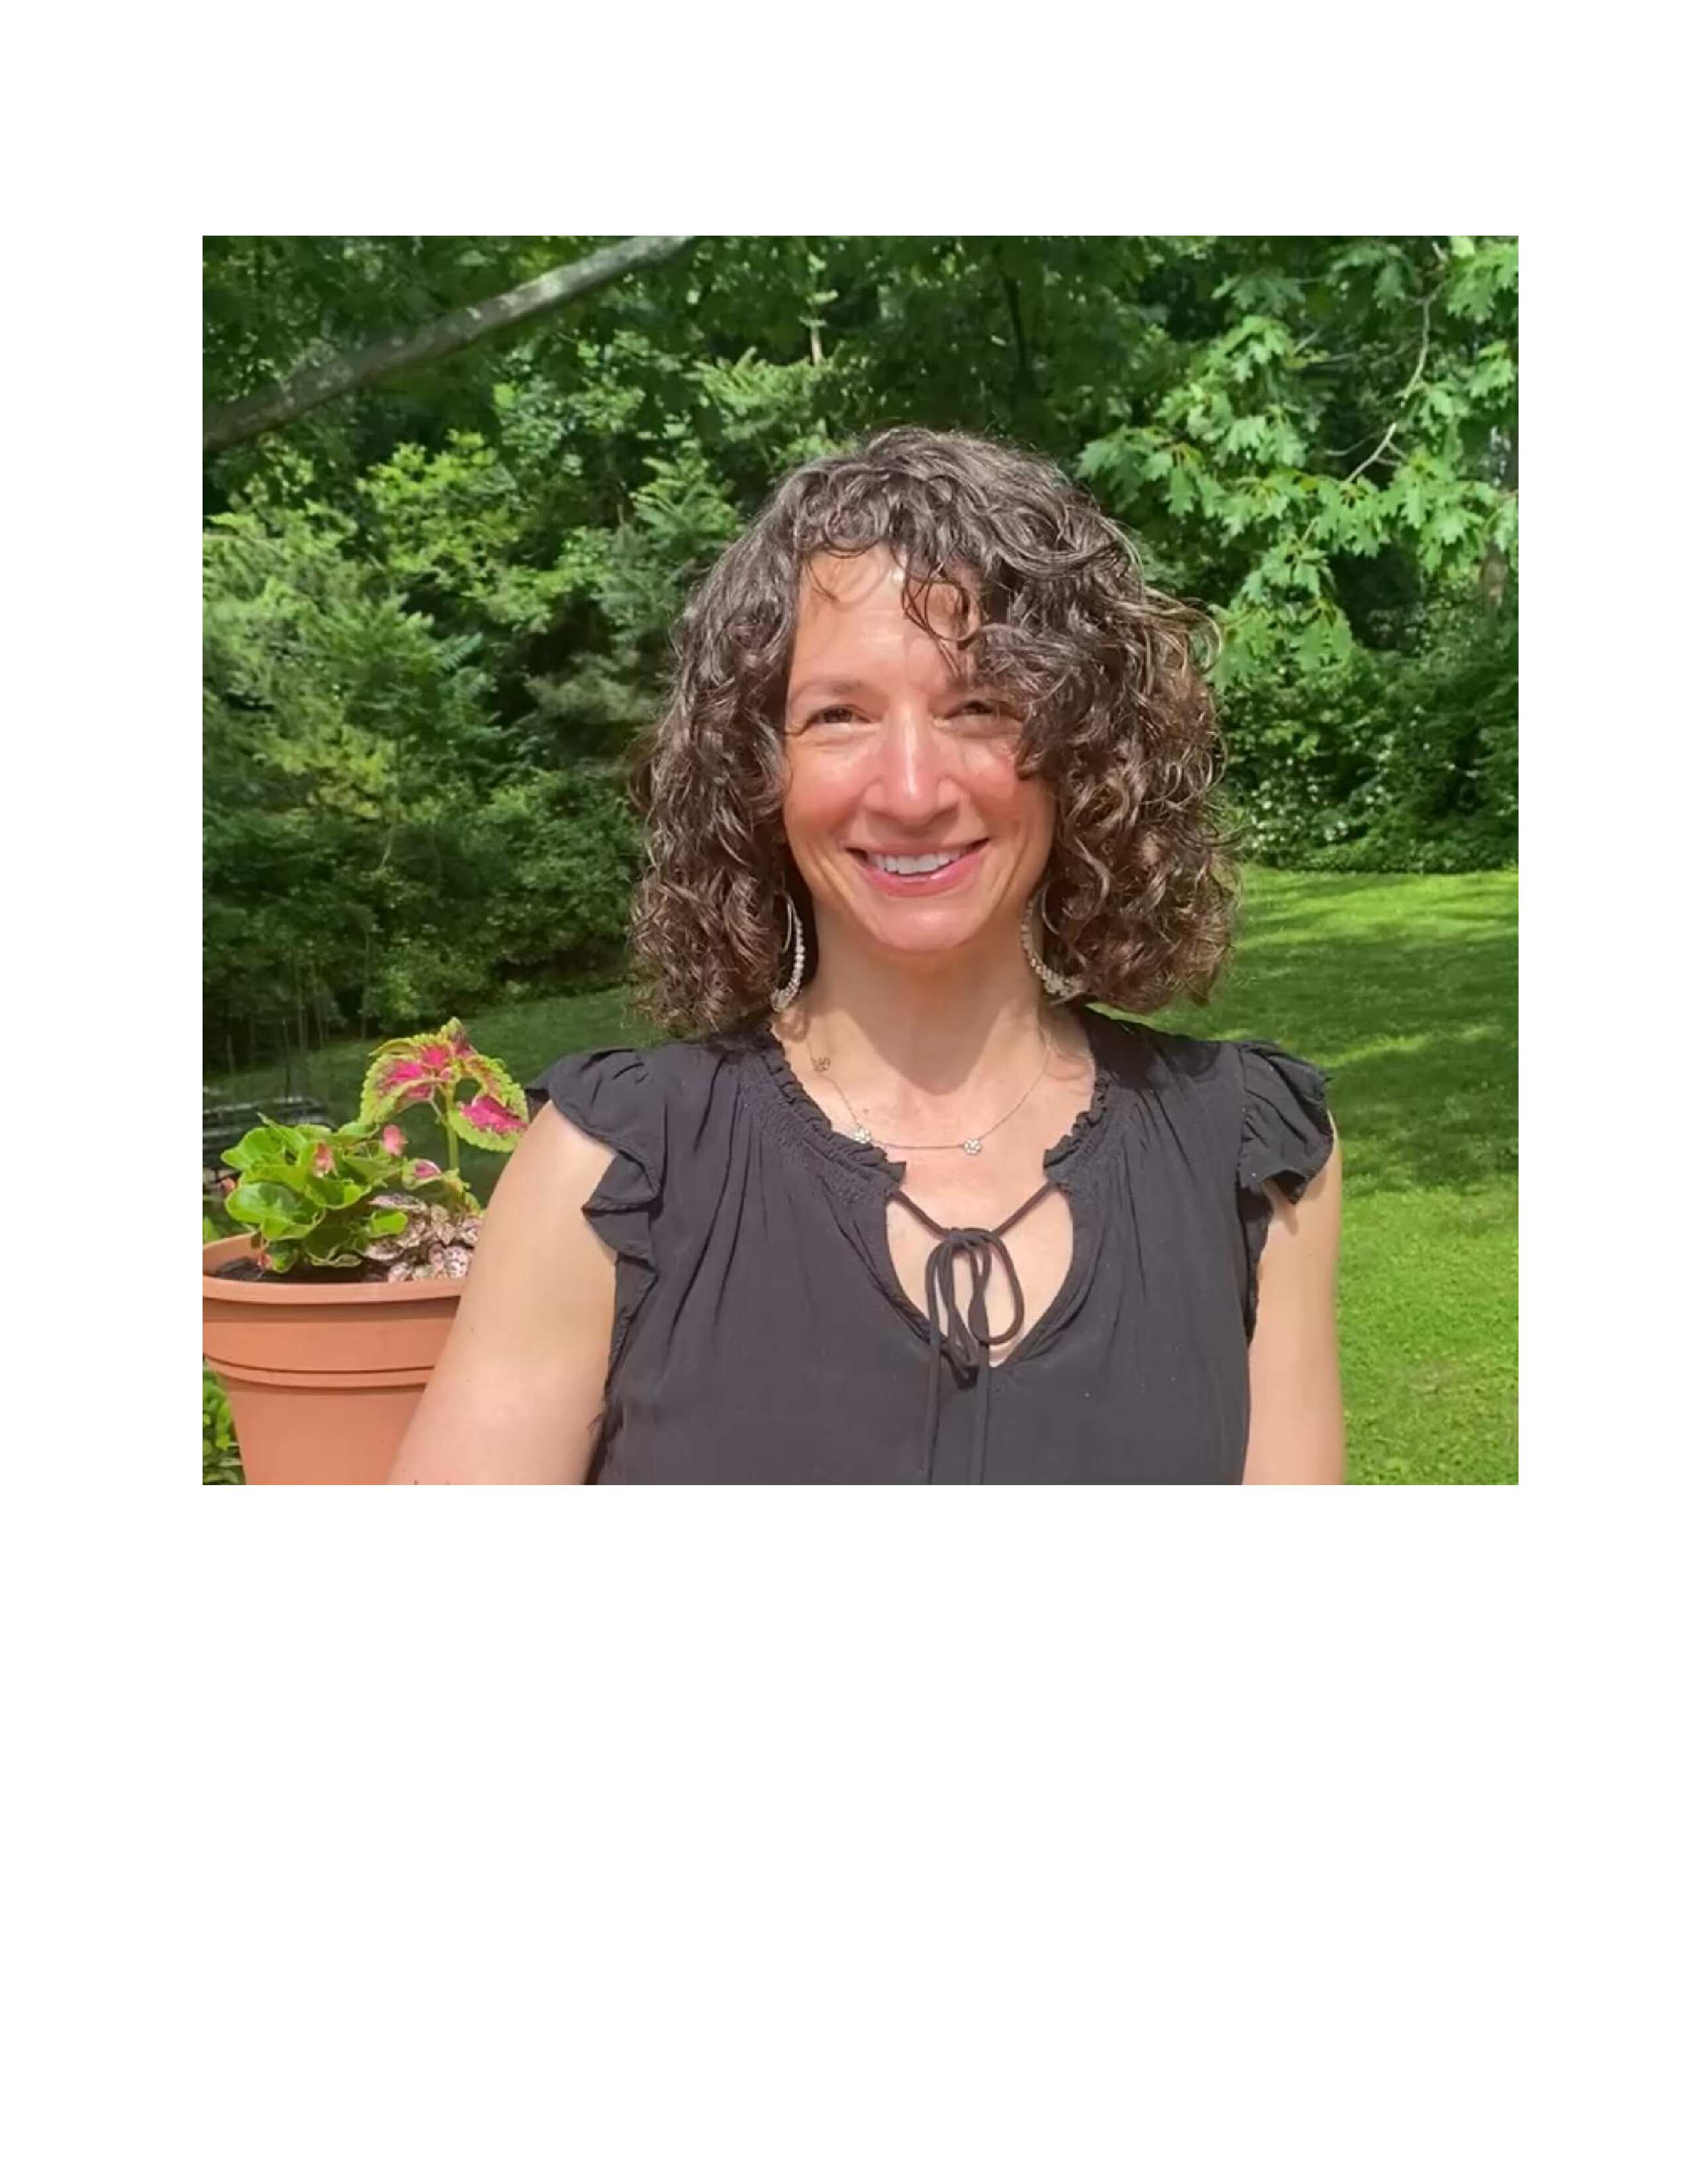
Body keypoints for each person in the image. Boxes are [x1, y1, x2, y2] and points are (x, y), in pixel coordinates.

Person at [392, 428, 1342, 1485]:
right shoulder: (608, 1170)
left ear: (1083, 752)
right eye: (838, 715)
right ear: (756, 772)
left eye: (977, 706)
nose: (911, 791)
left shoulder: (1250, 1159)